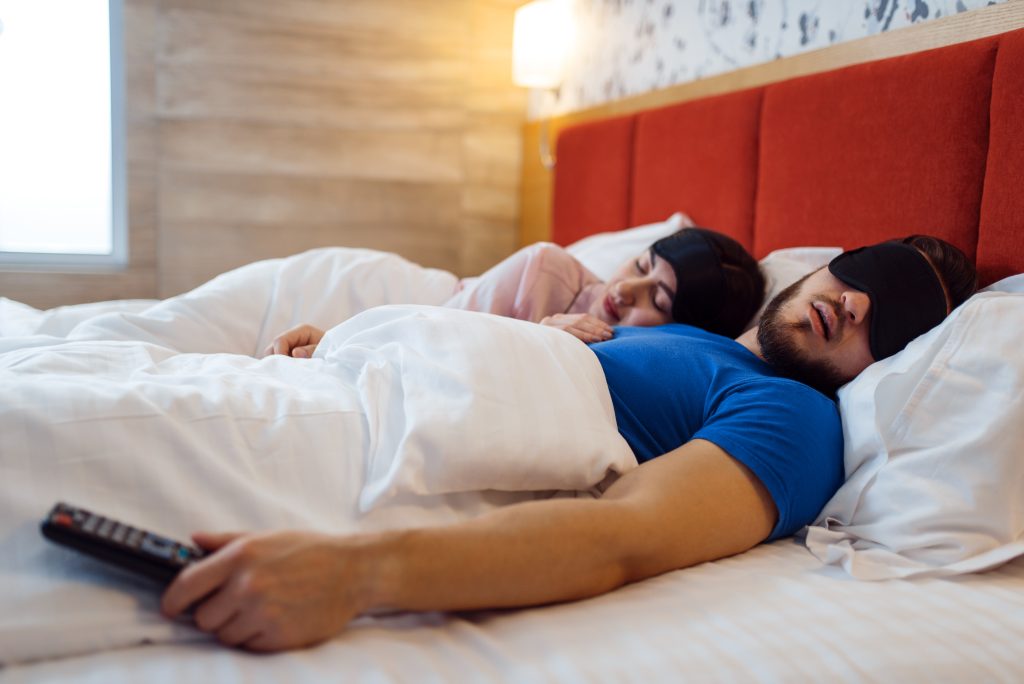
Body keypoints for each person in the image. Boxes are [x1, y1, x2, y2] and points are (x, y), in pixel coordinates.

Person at [161, 234, 976, 653]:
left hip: (344, 442)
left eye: (896, 315)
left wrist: (356, 572)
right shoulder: (684, 338)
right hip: (310, 391)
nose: (859, 302)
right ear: (818, 269)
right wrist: (343, 343)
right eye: (862, 271)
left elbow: (626, 534)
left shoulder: (795, 419)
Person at [263, 227, 766, 357]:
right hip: (439, 304)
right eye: (639, 264)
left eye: (656, 301)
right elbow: (435, 329)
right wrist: (341, 340)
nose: (625, 289)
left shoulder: (654, 357)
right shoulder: (544, 270)